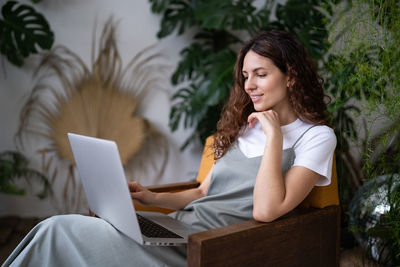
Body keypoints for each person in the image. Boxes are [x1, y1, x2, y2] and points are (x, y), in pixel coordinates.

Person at [3, 30, 336, 267]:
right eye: (246, 75)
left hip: (214, 248)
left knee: (58, 231)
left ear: (290, 76)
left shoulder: (316, 138)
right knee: (58, 232)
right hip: (181, 231)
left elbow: (266, 211)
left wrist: (275, 134)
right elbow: (204, 192)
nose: (249, 86)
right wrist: (153, 198)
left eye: (260, 74)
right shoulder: (244, 127)